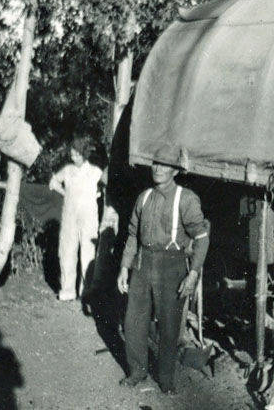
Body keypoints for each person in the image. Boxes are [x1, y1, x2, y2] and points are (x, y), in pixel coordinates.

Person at [116, 147, 209, 395]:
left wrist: (193, 273)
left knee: (169, 325)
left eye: (164, 165)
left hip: (172, 264)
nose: (158, 168)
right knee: (133, 320)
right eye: (155, 163)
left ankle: (166, 378)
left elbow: (201, 237)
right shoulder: (144, 197)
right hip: (143, 262)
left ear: (175, 170)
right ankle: (137, 371)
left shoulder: (186, 198)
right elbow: (133, 236)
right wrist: (125, 267)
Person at [49, 135, 104, 302]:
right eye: (72, 155)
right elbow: (53, 182)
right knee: (67, 250)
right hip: (70, 215)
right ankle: (67, 290)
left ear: (85, 154)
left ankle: (86, 292)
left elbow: (106, 187)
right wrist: (65, 193)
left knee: (88, 252)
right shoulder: (67, 170)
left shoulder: (95, 172)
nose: (74, 158)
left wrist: (97, 195)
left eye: (77, 155)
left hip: (88, 216)